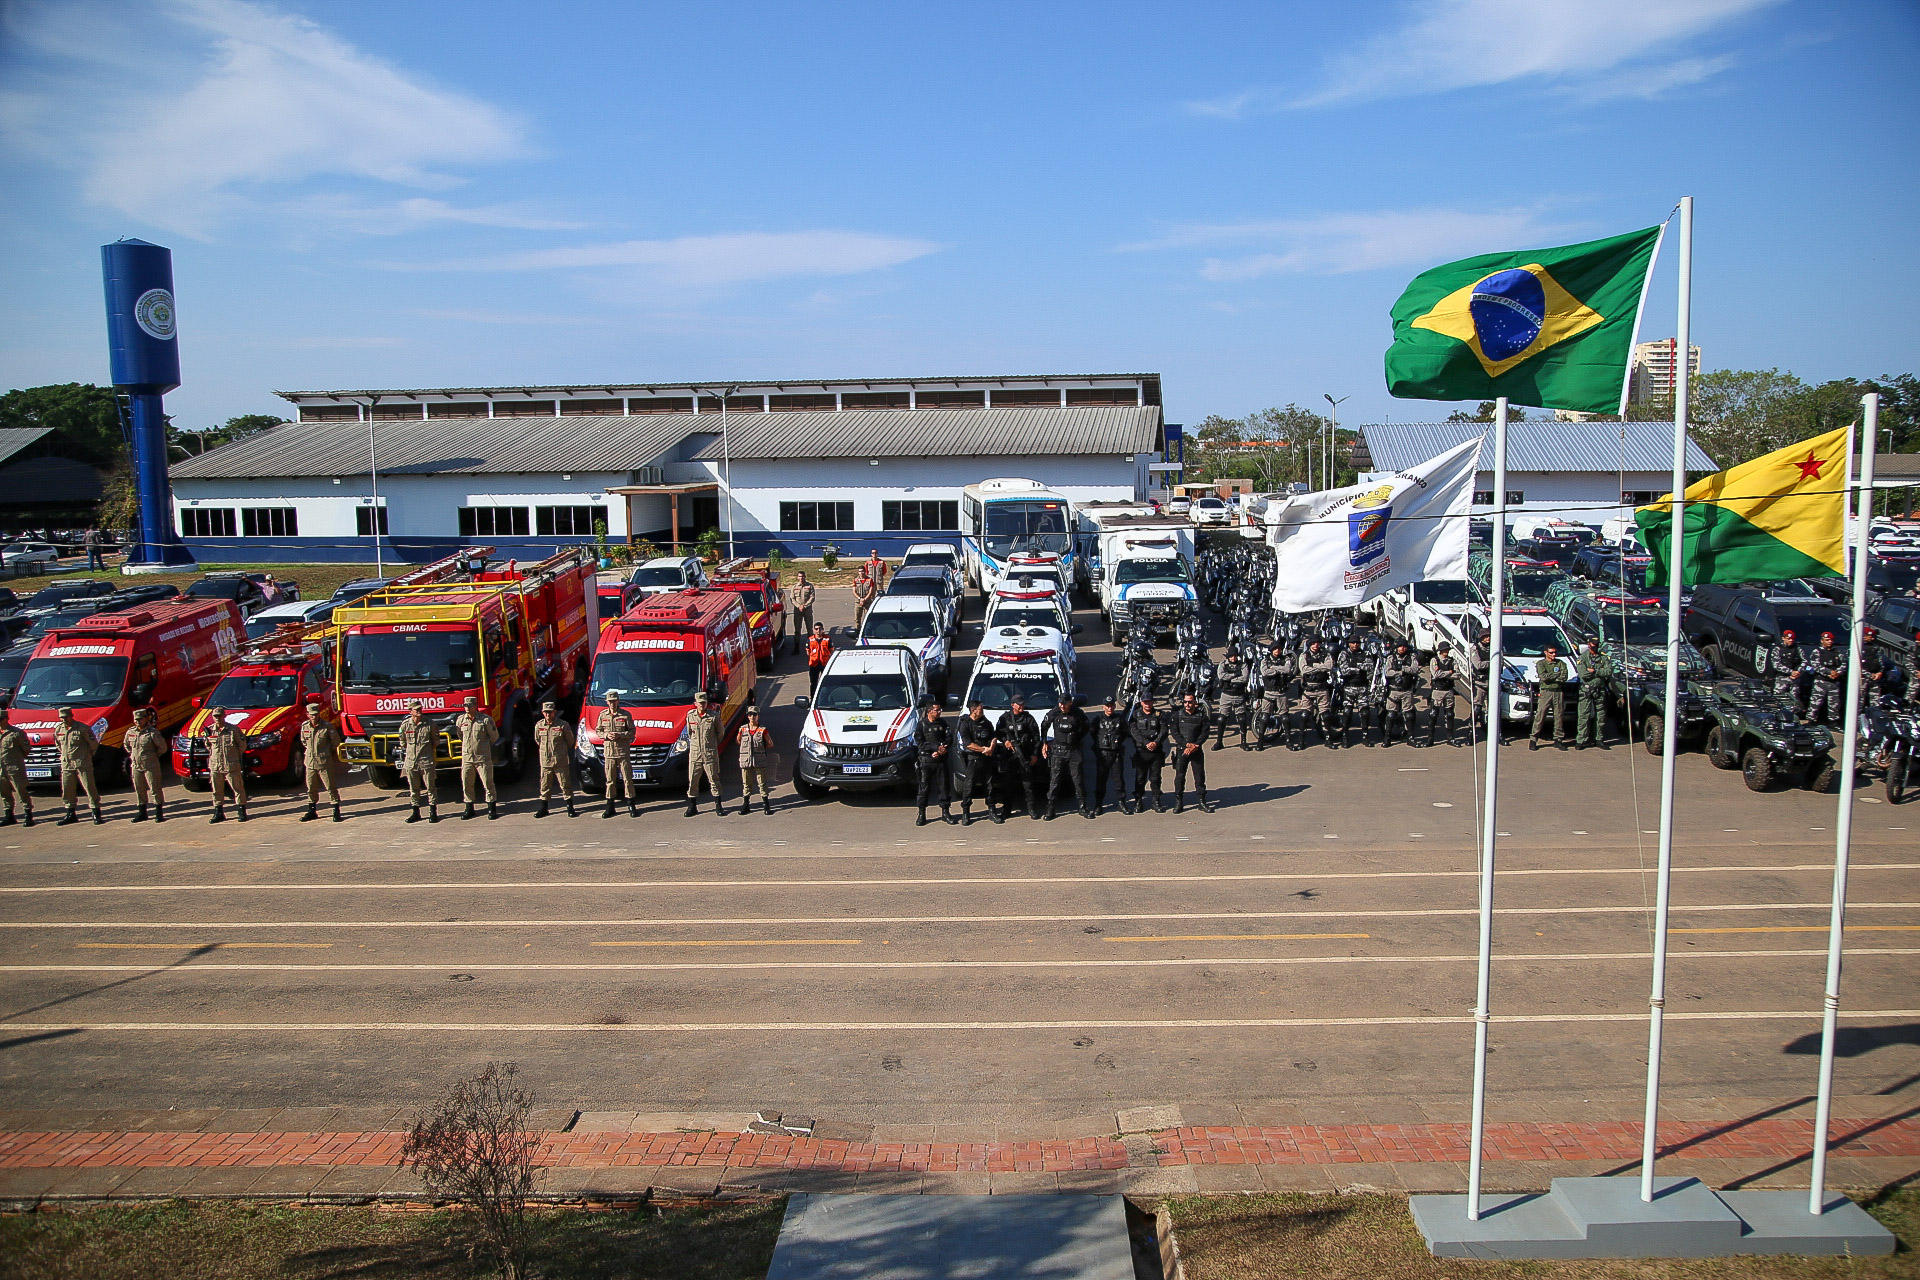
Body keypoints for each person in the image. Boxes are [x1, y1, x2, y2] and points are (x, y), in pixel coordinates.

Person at [1041, 693, 1090, 819]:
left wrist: (1078, 738)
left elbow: (1086, 726)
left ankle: (1083, 807)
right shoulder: (1054, 712)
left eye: (1064, 704)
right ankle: (1050, 809)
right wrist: (1045, 743)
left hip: (1074, 750)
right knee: (1055, 781)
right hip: (1058, 751)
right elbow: (1044, 726)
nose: (1062, 706)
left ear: (1070, 703)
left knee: (1078, 780)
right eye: (1060, 703)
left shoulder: (1077, 713)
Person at [995, 693, 1042, 821]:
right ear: (1012, 705)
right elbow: (997, 733)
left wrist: (1034, 754)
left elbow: (1037, 738)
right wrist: (1005, 741)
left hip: (1025, 755)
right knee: (1007, 785)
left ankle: (1031, 809)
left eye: (1023, 704)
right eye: (1019, 704)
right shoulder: (1005, 718)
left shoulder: (1028, 718)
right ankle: (1006, 810)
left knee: (1028, 785)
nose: (1022, 706)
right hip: (1010, 757)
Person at [954, 699, 999, 825]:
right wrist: (983, 750)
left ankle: (992, 811)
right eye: (980, 709)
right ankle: (966, 813)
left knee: (989, 786)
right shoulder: (965, 724)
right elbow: (967, 744)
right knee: (969, 787)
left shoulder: (986, 722)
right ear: (973, 710)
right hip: (973, 759)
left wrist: (991, 746)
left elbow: (993, 736)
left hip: (987, 759)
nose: (982, 711)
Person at [55, 706, 103, 826]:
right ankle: (70, 813)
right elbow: (58, 744)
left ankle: (96, 811)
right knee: (67, 788)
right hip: (67, 763)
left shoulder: (82, 728)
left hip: (82, 763)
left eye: (66, 717)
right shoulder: (59, 729)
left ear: (71, 716)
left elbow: (93, 744)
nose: (64, 720)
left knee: (89, 787)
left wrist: (86, 756)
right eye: (62, 718)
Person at [455, 696, 500, 819]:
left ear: (475, 706)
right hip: (467, 758)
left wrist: (483, 747)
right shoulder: (460, 720)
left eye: (470, 706)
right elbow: (460, 736)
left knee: (488, 783)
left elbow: (494, 736)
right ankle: (469, 808)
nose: (467, 708)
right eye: (465, 706)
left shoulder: (485, 720)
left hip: (482, 758)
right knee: (467, 783)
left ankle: (491, 809)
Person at [300, 702, 345, 822]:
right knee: (311, 787)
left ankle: (336, 809)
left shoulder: (326, 726)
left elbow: (335, 741)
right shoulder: (305, 726)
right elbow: (304, 741)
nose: (314, 717)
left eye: (316, 714)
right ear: (307, 715)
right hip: (310, 761)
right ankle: (312, 810)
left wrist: (325, 751)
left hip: (324, 761)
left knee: (330, 786)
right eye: (311, 715)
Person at [124, 706, 169, 823]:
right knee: (139, 789)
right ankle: (142, 812)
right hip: (136, 765)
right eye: (136, 719)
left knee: (155, 788)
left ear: (145, 719)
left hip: (150, 765)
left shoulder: (152, 733)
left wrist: (154, 756)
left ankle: (158, 812)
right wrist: (133, 755)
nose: (138, 721)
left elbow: (163, 747)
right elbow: (127, 745)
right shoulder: (130, 732)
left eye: (140, 719)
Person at [596, 691, 637, 818]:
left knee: (627, 779)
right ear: (607, 702)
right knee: (610, 780)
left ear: (618, 701)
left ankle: (631, 804)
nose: (612, 703)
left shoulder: (625, 715)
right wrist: (606, 735)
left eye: (614, 701)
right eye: (610, 701)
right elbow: (598, 730)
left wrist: (621, 735)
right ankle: (610, 806)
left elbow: (632, 732)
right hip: (609, 753)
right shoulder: (603, 715)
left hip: (622, 752)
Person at [397, 701, 440, 822]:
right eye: (416, 709)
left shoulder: (429, 724)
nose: (419, 711)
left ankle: (433, 812)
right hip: (411, 762)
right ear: (410, 712)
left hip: (426, 761)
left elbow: (435, 741)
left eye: (420, 708)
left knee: (430, 787)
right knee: (413, 788)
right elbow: (403, 742)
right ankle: (415, 812)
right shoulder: (405, 725)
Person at [202, 713, 249, 823]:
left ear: (224, 716)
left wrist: (233, 756)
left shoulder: (233, 730)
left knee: (237, 788)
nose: (217, 718)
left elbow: (242, 746)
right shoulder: (210, 730)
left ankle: (241, 810)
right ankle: (219, 812)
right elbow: (208, 746)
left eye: (219, 716)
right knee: (216, 790)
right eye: (215, 716)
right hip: (215, 765)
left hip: (231, 764)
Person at [533, 702, 577, 818]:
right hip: (545, 760)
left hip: (560, 760)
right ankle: (544, 807)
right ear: (542, 713)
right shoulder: (539, 725)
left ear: (554, 712)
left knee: (565, 784)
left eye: (550, 712)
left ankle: (570, 807)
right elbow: (538, 740)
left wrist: (560, 751)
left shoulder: (563, 725)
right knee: (545, 785)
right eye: (546, 712)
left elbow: (570, 741)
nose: (548, 714)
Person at [684, 690, 725, 815]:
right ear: (695, 703)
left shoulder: (713, 716)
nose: (702, 705)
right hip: (695, 754)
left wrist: (711, 745)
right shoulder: (690, 716)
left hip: (709, 753)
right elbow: (690, 733)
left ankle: (718, 805)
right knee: (693, 780)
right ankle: (692, 806)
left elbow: (720, 733)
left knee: (714, 779)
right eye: (700, 703)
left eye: (704, 703)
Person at [913, 701, 953, 826]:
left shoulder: (943, 723)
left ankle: (945, 813)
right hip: (926, 762)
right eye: (937, 710)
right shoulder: (922, 725)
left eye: (940, 709)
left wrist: (941, 750)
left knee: (944, 788)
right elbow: (920, 742)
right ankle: (921, 814)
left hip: (940, 761)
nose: (939, 712)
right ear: (929, 711)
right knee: (924, 789)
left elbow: (949, 739)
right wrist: (935, 749)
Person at [1089, 695, 1128, 815]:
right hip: (1103, 755)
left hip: (1116, 754)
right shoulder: (1098, 720)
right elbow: (1092, 734)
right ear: (1103, 707)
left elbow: (1125, 733)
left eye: (1111, 705)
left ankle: (1121, 803)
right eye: (1107, 706)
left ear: (1114, 706)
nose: (1109, 708)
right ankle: (1098, 805)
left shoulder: (1120, 719)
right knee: (1101, 781)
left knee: (1119, 781)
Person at [1379, 641, 1422, 748]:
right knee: (1391, 715)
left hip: (1407, 690)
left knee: (1409, 714)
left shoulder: (1411, 658)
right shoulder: (1391, 658)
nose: (1402, 648)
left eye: (1404, 646)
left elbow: (1415, 669)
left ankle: (1410, 738)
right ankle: (1387, 738)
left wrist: (1403, 669)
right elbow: (1388, 672)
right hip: (1393, 691)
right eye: (1400, 646)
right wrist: (1400, 673)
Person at [1129, 695, 1168, 813]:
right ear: (1141, 703)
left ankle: (1156, 801)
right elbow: (1134, 731)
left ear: (1153, 702)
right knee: (1140, 778)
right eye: (1145, 702)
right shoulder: (1135, 715)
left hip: (1156, 752)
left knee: (1155, 778)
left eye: (1149, 702)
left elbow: (1164, 730)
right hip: (1142, 752)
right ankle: (1138, 800)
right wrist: (1146, 743)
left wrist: (1156, 742)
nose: (1147, 704)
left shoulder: (1159, 715)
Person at [1295, 641, 1335, 749]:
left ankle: (1328, 739)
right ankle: (1301, 740)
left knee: (1326, 715)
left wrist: (1313, 666)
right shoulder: (1304, 656)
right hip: (1308, 689)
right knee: (1304, 715)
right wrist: (1320, 667)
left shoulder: (1325, 655)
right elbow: (1304, 670)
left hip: (1322, 688)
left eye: (1317, 643)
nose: (1315, 646)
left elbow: (1329, 666)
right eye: (1313, 643)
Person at [1335, 638, 1375, 748]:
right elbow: (1344, 670)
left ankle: (1365, 737)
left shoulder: (1365, 653)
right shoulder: (1344, 654)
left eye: (1357, 642)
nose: (1355, 644)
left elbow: (1370, 666)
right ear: (1349, 644)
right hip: (1349, 687)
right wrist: (1359, 668)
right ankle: (1345, 737)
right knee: (1347, 712)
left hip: (1362, 687)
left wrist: (1354, 666)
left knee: (1365, 713)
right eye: (1353, 642)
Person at [1574, 639, 1614, 749]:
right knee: (1584, 715)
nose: (1594, 647)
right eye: (1592, 645)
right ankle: (1581, 740)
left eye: (1596, 645)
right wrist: (1600, 672)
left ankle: (1599, 739)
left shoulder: (1603, 657)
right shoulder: (1582, 658)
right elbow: (1584, 674)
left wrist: (1595, 670)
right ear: (1588, 645)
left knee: (1600, 716)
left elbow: (1609, 671)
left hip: (1600, 689)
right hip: (1586, 690)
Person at [736, 703, 774, 815]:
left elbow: (770, 743)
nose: (752, 717)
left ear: (758, 716)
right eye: (750, 715)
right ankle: (746, 805)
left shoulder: (762, 730)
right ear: (747, 716)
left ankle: (766, 805)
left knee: (762, 783)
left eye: (754, 715)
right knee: (746, 783)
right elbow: (738, 741)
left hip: (759, 760)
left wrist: (761, 748)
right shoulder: (742, 729)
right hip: (746, 759)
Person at [1530, 644, 1570, 750]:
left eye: (1555, 652)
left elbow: (1564, 676)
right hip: (1546, 692)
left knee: (1559, 716)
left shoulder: (1561, 663)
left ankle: (1558, 739)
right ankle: (1533, 739)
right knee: (1540, 715)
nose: (1553, 655)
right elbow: (1543, 677)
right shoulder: (1541, 663)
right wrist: (1556, 675)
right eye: (1551, 652)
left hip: (1558, 692)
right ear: (1546, 653)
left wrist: (1552, 676)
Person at [1757, 628, 1807, 708]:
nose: (1791, 640)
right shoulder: (1777, 649)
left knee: (1794, 699)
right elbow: (1776, 665)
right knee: (1778, 698)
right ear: (1784, 638)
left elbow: (1804, 661)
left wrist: (1798, 671)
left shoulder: (1798, 649)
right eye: (1789, 638)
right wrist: (1790, 672)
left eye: (1792, 639)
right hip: (1782, 678)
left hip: (1795, 678)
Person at [1427, 642, 1464, 747]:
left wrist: (1446, 674)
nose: (1446, 652)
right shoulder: (1435, 660)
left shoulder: (1452, 661)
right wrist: (1449, 672)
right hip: (1437, 690)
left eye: (1447, 650)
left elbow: (1458, 675)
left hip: (1448, 690)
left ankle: (1450, 738)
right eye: (1444, 650)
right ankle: (1430, 739)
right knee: (1433, 714)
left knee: (1450, 714)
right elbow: (1436, 674)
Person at [1255, 644, 1291, 751]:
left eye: (1279, 649)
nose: (1277, 651)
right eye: (1275, 649)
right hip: (1268, 692)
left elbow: (1288, 669)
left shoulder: (1286, 659)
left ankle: (1288, 741)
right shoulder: (1265, 660)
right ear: (1271, 650)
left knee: (1285, 717)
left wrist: (1274, 668)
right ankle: (1260, 741)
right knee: (1264, 717)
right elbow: (1265, 672)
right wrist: (1279, 670)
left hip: (1281, 692)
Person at [1214, 652, 1252, 750]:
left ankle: (1243, 742)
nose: (1233, 657)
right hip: (1226, 695)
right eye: (1231, 656)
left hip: (1239, 695)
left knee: (1242, 719)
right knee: (1221, 719)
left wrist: (1230, 679)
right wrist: (1235, 675)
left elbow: (1245, 678)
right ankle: (1219, 742)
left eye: (1234, 656)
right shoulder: (1223, 664)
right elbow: (1221, 676)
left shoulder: (1242, 665)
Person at [0, 707, 31, 827]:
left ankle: (28, 814)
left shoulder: (16, 733)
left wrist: (16, 760)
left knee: (21, 791)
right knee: (4, 793)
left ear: (6, 719)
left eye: (1, 719)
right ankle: (9, 815)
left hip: (14, 768)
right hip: (1, 769)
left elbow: (26, 749)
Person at [1807, 631, 1846, 725]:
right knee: (1816, 703)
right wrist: (1829, 672)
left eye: (1831, 640)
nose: (1829, 642)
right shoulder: (1817, 652)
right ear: (1822, 641)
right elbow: (1815, 665)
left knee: (1834, 704)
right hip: (1821, 681)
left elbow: (1844, 664)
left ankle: (1833, 722)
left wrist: (1837, 673)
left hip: (1834, 682)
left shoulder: (1837, 652)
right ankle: (1811, 721)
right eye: (1827, 640)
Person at [788, 573, 816, 653]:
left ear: (805, 577)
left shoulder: (809, 586)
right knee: (797, 630)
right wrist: (798, 606)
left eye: (803, 576)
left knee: (809, 629)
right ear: (797, 577)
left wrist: (805, 605)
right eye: (800, 576)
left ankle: (811, 647)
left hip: (807, 610)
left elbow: (812, 597)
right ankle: (796, 648)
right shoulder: (794, 587)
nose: (801, 578)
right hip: (797, 611)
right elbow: (792, 598)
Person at [806, 624, 832, 692]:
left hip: (824, 664)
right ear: (814, 630)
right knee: (813, 683)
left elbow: (831, 650)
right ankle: (812, 698)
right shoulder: (810, 639)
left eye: (820, 629)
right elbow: (808, 651)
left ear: (823, 629)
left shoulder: (827, 639)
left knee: (826, 683)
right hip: (814, 664)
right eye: (816, 629)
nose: (818, 631)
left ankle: (826, 698)